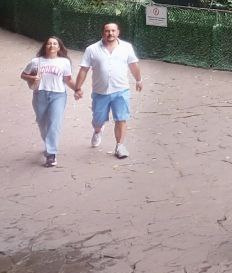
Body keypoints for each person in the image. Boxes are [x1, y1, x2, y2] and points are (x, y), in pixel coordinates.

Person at [73, 21, 141, 159]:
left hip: (121, 90)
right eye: (107, 31)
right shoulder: (92, 49)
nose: (110, 33)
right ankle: (98, 131)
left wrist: (139, 80)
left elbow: (133, 65)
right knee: (98, 120)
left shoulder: (126, 47)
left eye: (113, 30)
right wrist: (77, 88)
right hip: (100, 92)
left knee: (121, 119)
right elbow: (84, 69)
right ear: (102, 33)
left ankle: (120, 146)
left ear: (118, 32)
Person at [20, 36, 78, 166]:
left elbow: (68, 79)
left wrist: (77, 89)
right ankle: (48, 143)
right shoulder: (36, 61)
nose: (51, 46)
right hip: (39, 94)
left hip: (58, 95)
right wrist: (33, 77)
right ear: (45, 47)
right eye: (49, 44)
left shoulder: (64, 62)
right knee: (42, 123)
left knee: (54, 123)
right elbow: (23, 75)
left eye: (54, 44)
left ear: (59, 47)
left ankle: (51, 154)